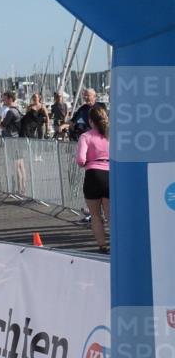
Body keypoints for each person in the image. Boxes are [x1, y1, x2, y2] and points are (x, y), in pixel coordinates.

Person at [76, 104, 110, 253]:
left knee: (95, 216)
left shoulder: (86, 136)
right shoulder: (111, 135)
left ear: (90, 121)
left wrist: (89, 162)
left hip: (92, 176)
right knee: (111, 217)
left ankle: (102, 246)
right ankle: (119, 245)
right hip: (110, 175)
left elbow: (80, 160)